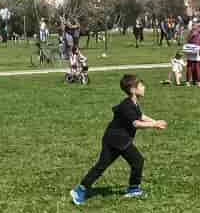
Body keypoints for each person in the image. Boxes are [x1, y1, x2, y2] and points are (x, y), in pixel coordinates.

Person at [70, 74, 167, 205]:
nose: (144, 87)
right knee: (137, 161)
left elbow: (140, 116)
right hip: (118, 140)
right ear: (133, 90)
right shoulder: (127, 105)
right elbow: (136, 123)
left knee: (102, 165)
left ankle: (80, 189)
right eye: (141, 85)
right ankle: (133, 189)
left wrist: (155, 121)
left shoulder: (133, 103)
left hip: (115, 139)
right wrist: (154, 125)